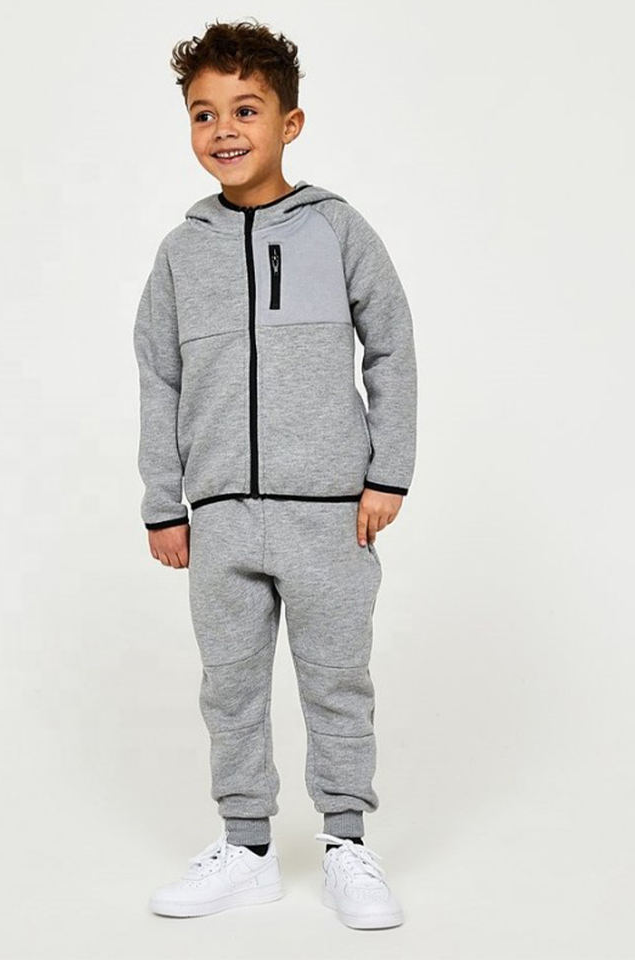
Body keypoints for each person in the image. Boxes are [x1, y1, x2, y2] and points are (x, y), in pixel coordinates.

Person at [133, 18, 417, 930]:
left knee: (337, 680)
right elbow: (158, 376)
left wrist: (388, 473)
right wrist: (163, 502)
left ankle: (348, 846)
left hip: (329, 511)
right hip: (219, 514)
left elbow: (392, 347)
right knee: (230, 687)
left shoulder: (337, 229)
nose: (224, 129)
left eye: (245, 110)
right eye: (204, 113)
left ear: (289, 122)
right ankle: (246, 849)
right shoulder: (181, 253)